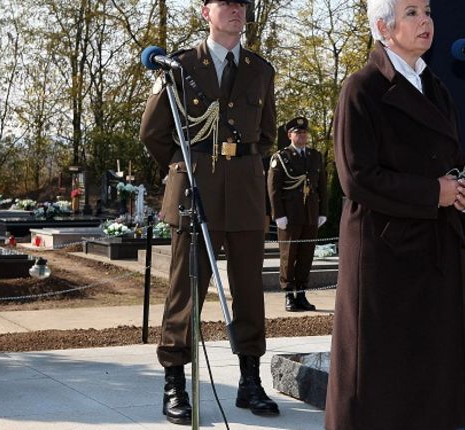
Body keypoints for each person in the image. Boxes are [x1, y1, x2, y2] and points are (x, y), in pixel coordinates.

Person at [325, 0, 465, 428]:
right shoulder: (362, 88)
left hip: (435, 248)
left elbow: (449, 160)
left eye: (427, 11)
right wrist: (435, 192)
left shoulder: (438, 88)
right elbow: (357, 177)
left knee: (431, 376)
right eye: (411, 12)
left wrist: (462, 191)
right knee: (380, 379)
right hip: (385, 253)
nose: (426, 21)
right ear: (383, 27)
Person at [139, 0, 279, 424]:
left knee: (250, 290)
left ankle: (250, 382)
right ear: (205, 12)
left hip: (247, 193)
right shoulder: (178, 67)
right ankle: (175, 384)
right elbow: (154, 133)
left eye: (242, 4)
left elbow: (267, 133)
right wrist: (187, 168)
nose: (236, 10)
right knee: (186, 290)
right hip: (195, 188)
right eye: (226, 3)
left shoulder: (260, 69)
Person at [267, 116, 328, 311]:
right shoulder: (281, 158)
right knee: (288, 256)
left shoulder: (314, 156)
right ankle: (288, 294)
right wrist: (278, 215)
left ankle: (301, 294)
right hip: (290, 215)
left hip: (310, 214)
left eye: (304, 133)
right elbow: (273, 189)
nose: (301, 136)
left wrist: (323, 212)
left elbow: (322, 187)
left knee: (306, 256)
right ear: (290, 135)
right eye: (297, 133)